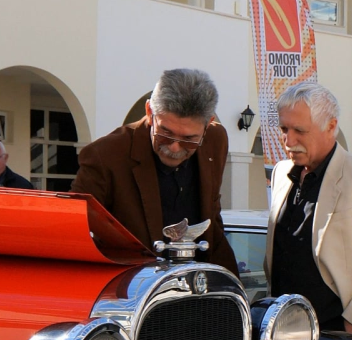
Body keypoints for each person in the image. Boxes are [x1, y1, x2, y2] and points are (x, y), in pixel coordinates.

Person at [264, 83, 352, 340]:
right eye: (284, 129)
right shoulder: (281, 172)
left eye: (300, 131)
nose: (288, 140)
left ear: (330, 126)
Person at [71, 68, 237, 273]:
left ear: (208, 124)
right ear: (149, 112)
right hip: (134, 291)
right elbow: (76, 234)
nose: (174, 148)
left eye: (189, 139)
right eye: (165, 133)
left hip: (200, 288)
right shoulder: (105, 156)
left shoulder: (216, 140)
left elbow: (213, 219)